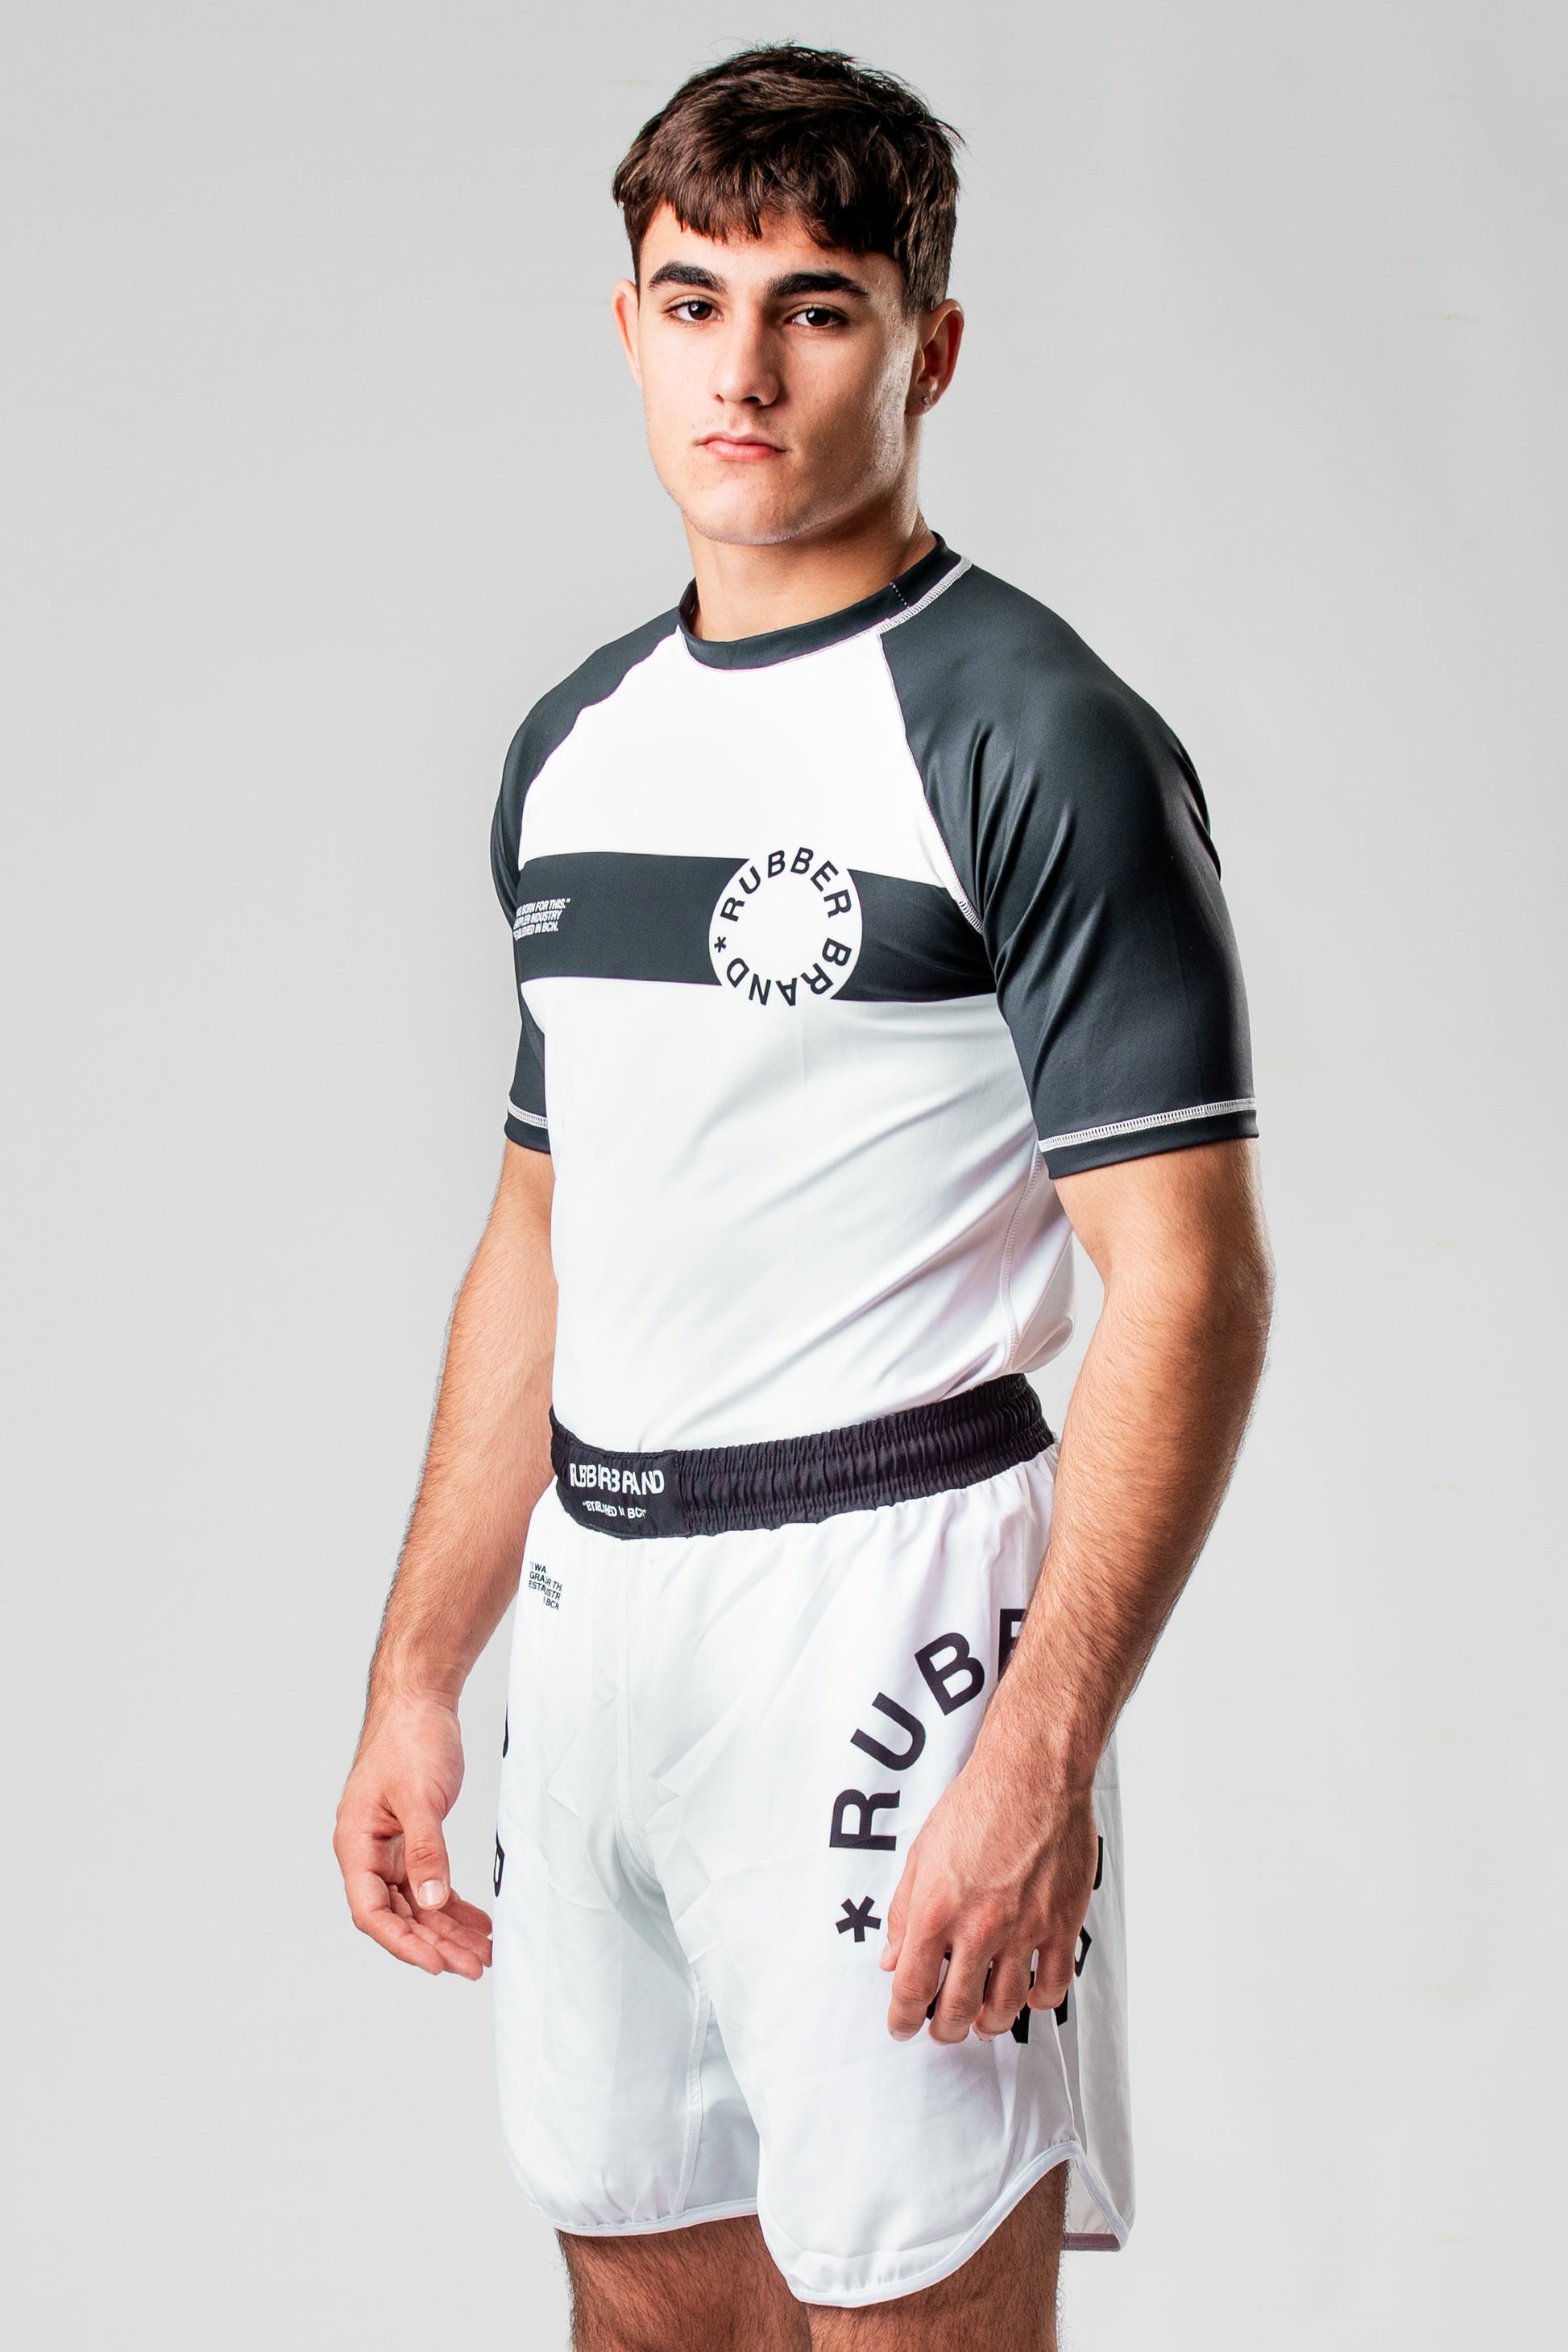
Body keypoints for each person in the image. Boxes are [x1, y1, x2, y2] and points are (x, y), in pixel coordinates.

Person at [333, 43, 1273, 2352]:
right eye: (694, 301)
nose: (740, 371)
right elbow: (544, 1231)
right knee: (636, 2296)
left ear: (927, 348)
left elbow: (1187, 1282)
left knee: (906, 2316)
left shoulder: (1031, 731)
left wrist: (1039, 1747)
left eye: (815, 307)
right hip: (602, 1617)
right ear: (629, 323)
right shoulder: (576, 744)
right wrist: (421, 1667)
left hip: (884, 1616)